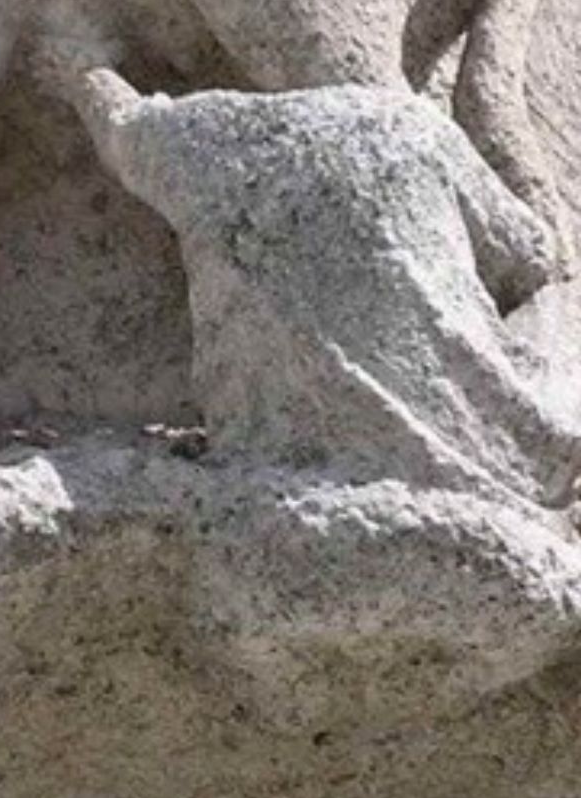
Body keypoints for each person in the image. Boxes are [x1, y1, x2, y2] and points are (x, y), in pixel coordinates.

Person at [73, 68, 579, 504]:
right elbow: (533, 257)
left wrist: (80, 65)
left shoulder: (204, 134)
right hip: (495, 464)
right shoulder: (414, 125)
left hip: (275, 475)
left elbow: (120, 121)